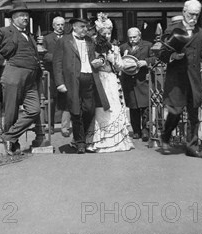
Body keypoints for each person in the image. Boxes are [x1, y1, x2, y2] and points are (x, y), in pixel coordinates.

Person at [0, 3, 41, 157]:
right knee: (11, 112)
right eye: (21, 15)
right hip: (13, 75)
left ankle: (9, 136)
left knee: (34, 110)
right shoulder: (5, 31)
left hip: (30, 79)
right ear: (13, 18)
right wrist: (1, 61)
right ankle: (12, 144)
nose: (25, 18)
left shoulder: (29, 35)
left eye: (26, 15)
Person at [159, 0, 202, 158]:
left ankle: (192, 148)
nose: (194, 18)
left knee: (193, 114)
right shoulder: (173, 30)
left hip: (194, 79)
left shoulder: (201, 33)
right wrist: (173, 56)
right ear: (184, 12)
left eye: (197, 15)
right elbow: (161, 54)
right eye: (191, 14)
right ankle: (165, 136)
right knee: (175, 112)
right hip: (176, 80)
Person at [53, 17, 110, 154]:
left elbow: (102, 52)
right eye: (82, 27)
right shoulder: (63, 41)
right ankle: (80, 142)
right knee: (75, 110)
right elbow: (57, 63)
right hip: (72, 81)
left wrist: (101, 60)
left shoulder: (90, 41)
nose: (86, 29)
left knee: (89, 109)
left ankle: (84, 138)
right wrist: (60, 83)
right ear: (74, 27)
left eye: (86, 27)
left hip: (89, 77)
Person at [86, 13, 134, 153]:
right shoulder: (93, 46)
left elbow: (120, 67)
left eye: (109, 33)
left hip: (112, 79)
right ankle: (100, 140)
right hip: (99, 79)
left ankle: (116, 140)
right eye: (104, 33)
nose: (107, 35)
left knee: (115, 107)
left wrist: (116, 60)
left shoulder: (115, 47)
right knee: (101, 108)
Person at [119, 28, 154, 141]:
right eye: (130, 38)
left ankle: (145, 131)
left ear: (139, 36)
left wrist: (146, 62)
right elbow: (118, 61)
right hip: (129, 80)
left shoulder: (148, 45)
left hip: (143, 79)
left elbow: (156, 58)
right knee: (133, 107)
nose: (132, 40)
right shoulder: (123, 47)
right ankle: (136, 131)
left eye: (134, 37)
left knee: (145, 107)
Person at [39, 16, 71, 136]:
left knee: (67, 100)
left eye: (62, 24)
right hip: (52, 74)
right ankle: (50, 126)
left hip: (66, 74)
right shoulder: (47, 39)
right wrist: (59, 59)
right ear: (53, 26)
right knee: (51, 100)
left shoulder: (69, 38)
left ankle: (65, 127)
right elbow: (44, 55)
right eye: (58, 25)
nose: (60, 27)